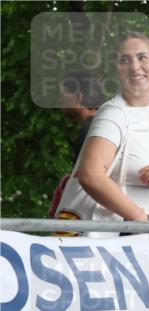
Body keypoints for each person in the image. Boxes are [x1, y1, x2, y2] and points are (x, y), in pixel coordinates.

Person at [72, 32, 149, 260]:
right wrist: (139, 220)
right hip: (127, 229)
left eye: (142, 57)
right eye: (124, 60)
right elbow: (90, 175)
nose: (135, 66)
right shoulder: (114, 113)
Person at [49, 71, 106, 218]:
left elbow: (89, 181)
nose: (60, 99)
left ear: (78, 96)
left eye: (63, 94)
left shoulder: (92, 130)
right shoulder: (100, 125)